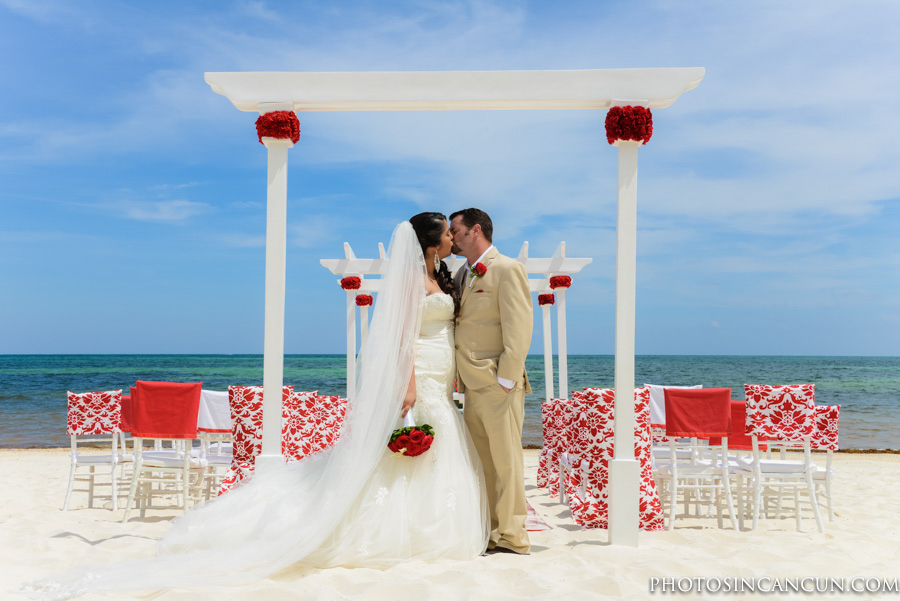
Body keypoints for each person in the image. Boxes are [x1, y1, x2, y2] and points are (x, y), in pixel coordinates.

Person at [19, 214, 488, 599]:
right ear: (429, 242)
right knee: (403, 444)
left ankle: (424, 524)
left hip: (440, 373)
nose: (452, 237)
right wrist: (406, 383)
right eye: (447, 233)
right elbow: (401, 337)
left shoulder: (437, 276)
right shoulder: (410, 279)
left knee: (435, 443)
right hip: (418, 375)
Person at [449, 208, 533, 556]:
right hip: (470, 384)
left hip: (498, 385)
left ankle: (513, 536)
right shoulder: (461, 274)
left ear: (475, 230)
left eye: (455, 230)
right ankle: (492, 531)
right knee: (483, 462)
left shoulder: (508, 268)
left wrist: (506, 378)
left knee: (507, 461)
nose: (451, 237)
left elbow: (520, 326)